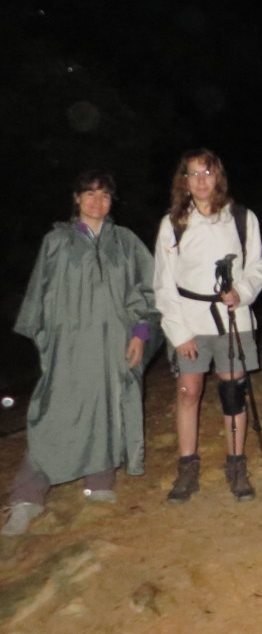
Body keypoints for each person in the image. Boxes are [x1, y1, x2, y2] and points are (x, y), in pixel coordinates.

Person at [3, 171, 160, 536]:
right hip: (69, 345)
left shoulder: (125, 242)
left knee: (107, 407)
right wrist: (48, 340)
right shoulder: (57, 241)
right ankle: (27, 496)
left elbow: (149, 289)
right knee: (55, 413)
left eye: (105, 195)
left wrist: (139, 333)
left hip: (115, 343)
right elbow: (39, 297)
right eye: (89, 194)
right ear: (76, 198)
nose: (97, 201)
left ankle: (99, 480)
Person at [154, 148, 262, 503]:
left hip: (234, 320)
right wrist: (179, 333)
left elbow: (257, 266)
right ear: (183, 181)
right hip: (190, 319)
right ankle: (188, 467)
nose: (201, 181)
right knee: (189, 392)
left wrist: (242, 292)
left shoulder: (240, 218)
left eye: (207, 173)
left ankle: (236, 465)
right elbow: (163, 282)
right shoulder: (173, 223)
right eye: (193, 174)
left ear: (218, 177)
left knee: (233, 393)